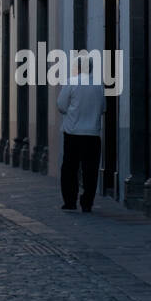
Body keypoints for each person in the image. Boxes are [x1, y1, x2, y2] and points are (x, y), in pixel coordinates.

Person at [57, 72, 105, 212]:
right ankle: (87, 202)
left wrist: (73, 112)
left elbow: (61, 105)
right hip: (92, 133)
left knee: (69, 168)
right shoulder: (98, 85)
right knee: (90, 170)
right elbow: (103, 107)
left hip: (73, 132)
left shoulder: (71, 82)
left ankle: (70, 201)